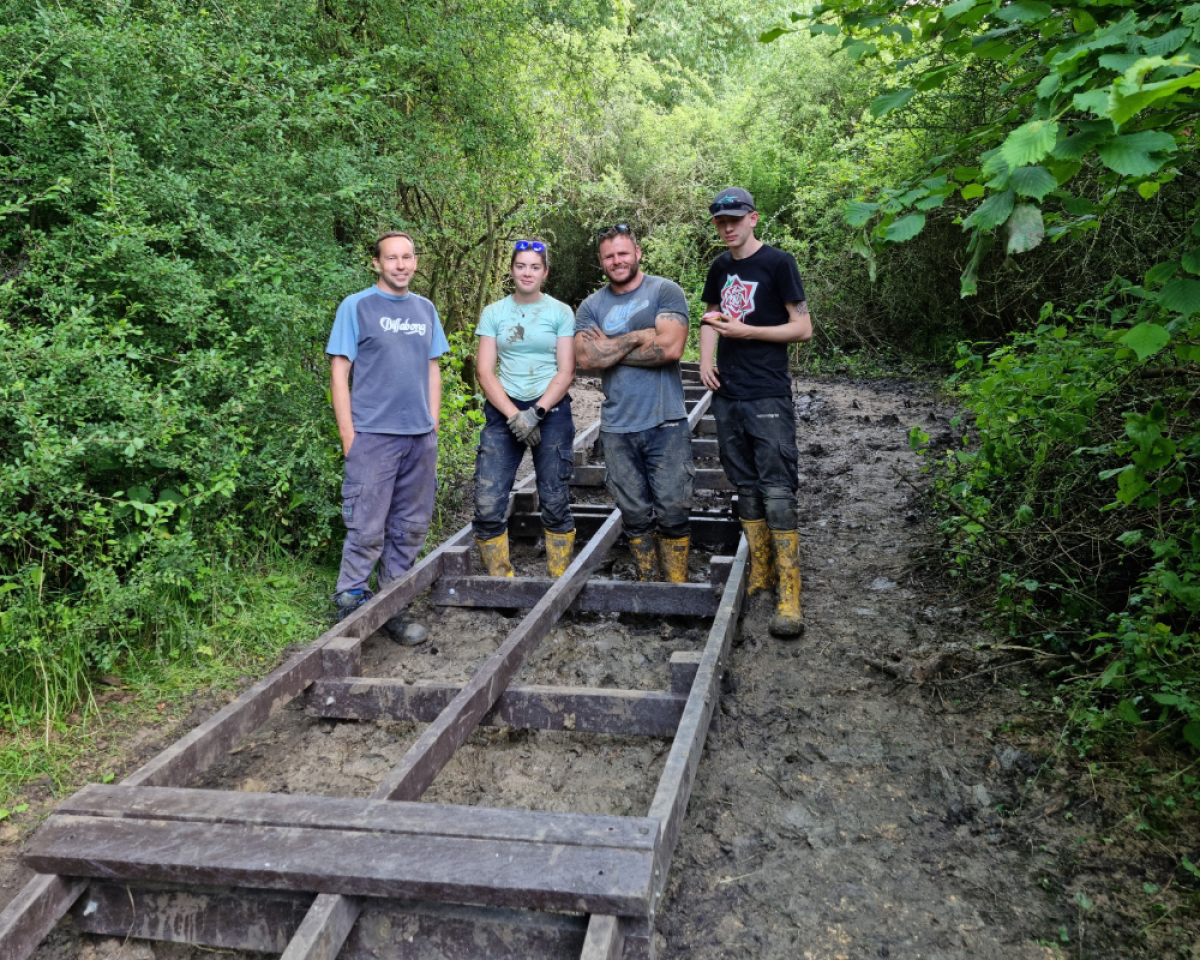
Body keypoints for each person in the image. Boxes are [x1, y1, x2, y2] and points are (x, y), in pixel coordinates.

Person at [699, 187, 813, 638]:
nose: (727, 227)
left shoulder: (778, 263)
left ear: (753, 219)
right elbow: (710, 317)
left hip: (767, 392)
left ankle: (790, 594)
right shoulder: (720, 266)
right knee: (744, 484)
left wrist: (747, 332)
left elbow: (802, 327)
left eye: (734, 219)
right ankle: (760, 574)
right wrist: (707, 359)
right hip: (729, 392)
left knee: (777, 489)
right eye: (720, 222)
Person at [326, 231, 450, 644]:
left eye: (408, 257)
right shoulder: (357, 306)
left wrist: (433, 424)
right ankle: (351, 605)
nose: (401, 264)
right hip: (373, 436)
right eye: (392, 258)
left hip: (419, 438)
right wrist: (349, 436)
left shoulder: (426, 309)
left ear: (415, 261)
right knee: (366, 526)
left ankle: (392, 605)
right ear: (376, 263)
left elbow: (433, 367)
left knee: (410, 527)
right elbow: (339, 371)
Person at [574, 224, 693, 582]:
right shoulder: (591, 305)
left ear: (637, 253)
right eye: (609, 256)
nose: (617, 261)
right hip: (617, 426)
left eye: (623, 253)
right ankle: (647, 582)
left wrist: (610, 347)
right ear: (601, 261)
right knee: (634, 513)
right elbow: (586, 360)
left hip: (666, 421)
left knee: (674, 510)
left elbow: (671, 348)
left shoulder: (664, 291)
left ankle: (677, 588)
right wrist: (640, 336)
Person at [473, 239, 577, 577]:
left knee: (554, 498)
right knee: (488, 502)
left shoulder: (560, 312)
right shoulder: (494, 313)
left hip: (551, 411)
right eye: (521, 266)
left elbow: (566, 370)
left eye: (535, 266)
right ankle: (501, 580)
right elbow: (485, 371)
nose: (527, 272)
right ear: (512, 270)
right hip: (504, 410)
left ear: (545, 272)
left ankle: (558, 579)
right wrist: (514, 415)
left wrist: (537, 413)